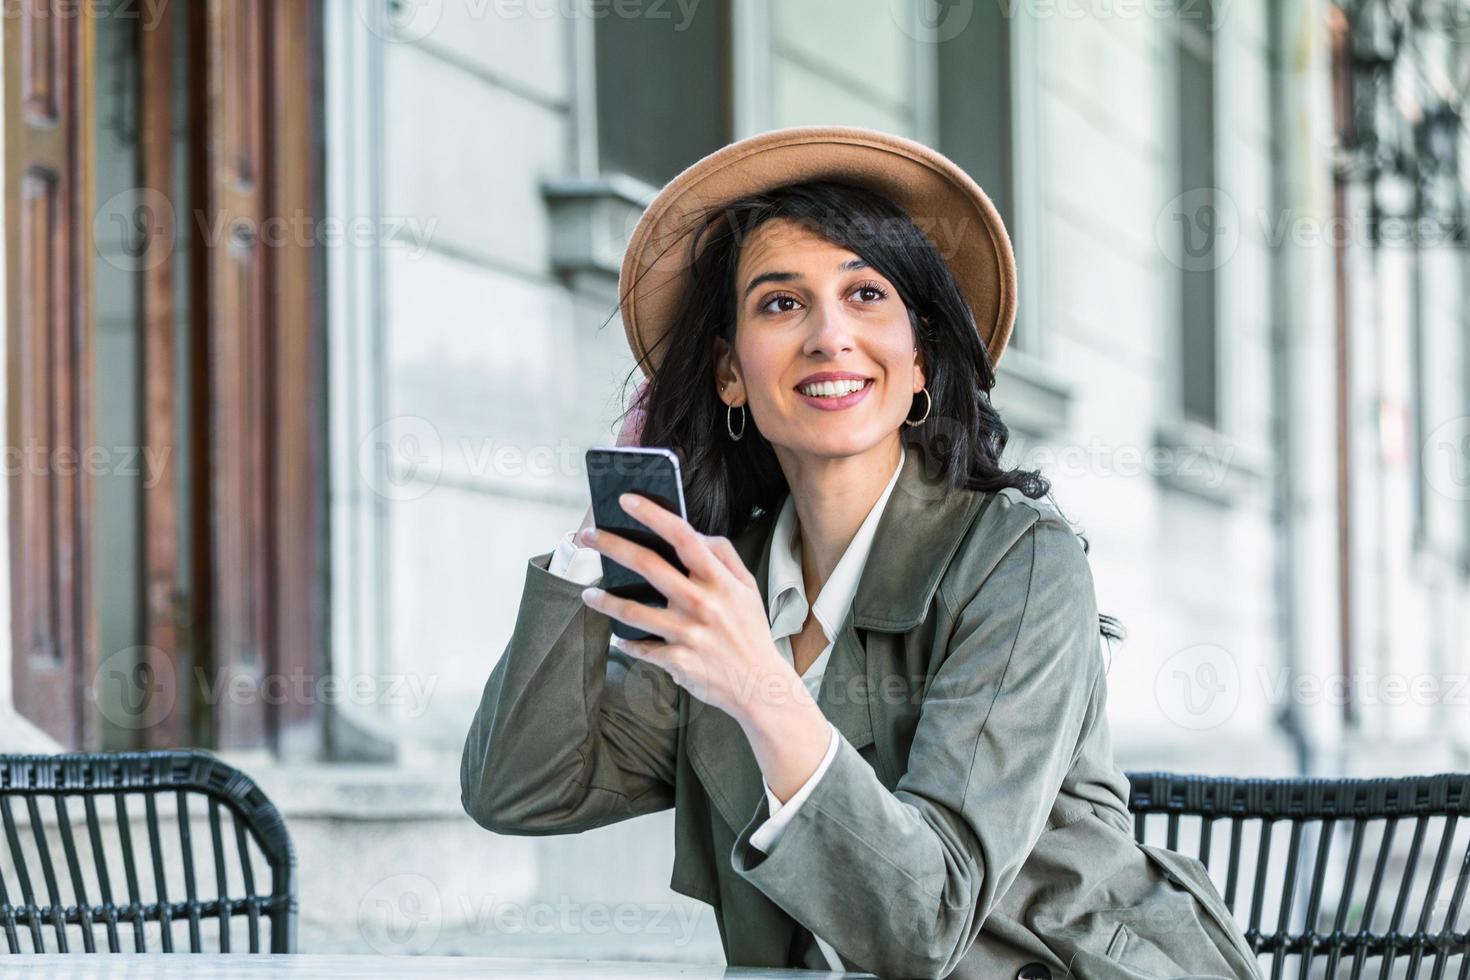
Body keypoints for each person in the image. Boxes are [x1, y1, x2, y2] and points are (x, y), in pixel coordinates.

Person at [461, 126, 1263, 980]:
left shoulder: (1019, 562)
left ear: (919, 362)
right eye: (780, 303)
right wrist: (602, 530)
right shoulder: (727, 588)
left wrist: (758, 685)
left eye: (867, 295)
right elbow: (520, 788)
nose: (828, 336)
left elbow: (926, 923)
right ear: (730, 373)